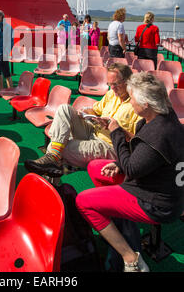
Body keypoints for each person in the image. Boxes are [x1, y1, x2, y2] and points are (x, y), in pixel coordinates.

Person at [75, 72, 184, 272]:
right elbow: (144, 154)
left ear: (146, 105)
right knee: (95, 167)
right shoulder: (163, 117)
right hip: (158, 185)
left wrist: (116, 132)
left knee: (83, 201)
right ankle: (117, 217)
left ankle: (131, 259)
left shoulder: (159, 134)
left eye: (132, 98)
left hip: (157, 202)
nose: (129, 101)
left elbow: (133, 168)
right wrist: (121, 159)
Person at [24, 63, 141, 177]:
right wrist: (85, 112)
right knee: (65, 109)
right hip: (94, 132)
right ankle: (55, 160)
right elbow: (96, 110)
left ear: (128, 82)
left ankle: (55, 160)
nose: (112, 88)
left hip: (109, 145)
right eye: (109, 84)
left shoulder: (137, 105)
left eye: (116, 84)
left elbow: (138, 142)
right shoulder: (111, 94)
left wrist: (116, 128)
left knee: (60, 147)